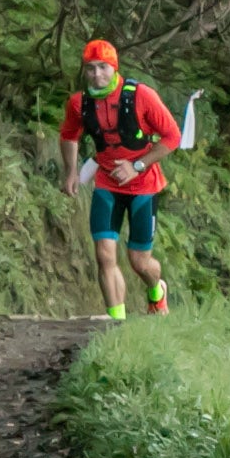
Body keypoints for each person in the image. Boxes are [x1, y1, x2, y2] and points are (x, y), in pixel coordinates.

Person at [59, 40, 181, 321]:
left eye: (103, 67)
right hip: (107, 185)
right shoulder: (79, 103)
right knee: (104, 254)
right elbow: (69, 135)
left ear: (114, 68)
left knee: (139, 261)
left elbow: (172, 137)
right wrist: (71, 172)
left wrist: (137, 166)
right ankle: (116, 321)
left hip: (144, 186)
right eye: (90, 69)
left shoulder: (142, 96)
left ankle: (157, 291)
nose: (97, 75)